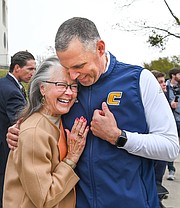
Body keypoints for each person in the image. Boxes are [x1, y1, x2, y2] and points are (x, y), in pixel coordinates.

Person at [7, 17, 179, 208]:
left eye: (79, 66)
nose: (73, 76)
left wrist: (119, 137)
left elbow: (170, 146)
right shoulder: (70, 89)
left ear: (100, 48)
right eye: (67, 68)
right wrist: (21, 130)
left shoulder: (138, 80)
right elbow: (45, 120)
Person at [3, 56, 89, 208]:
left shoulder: (59, 118)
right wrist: (71, 159)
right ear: (42, 88)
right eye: (61, 85)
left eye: (73, 86)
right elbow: (45, 198)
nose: (69, 92)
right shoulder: (34, 132)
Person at [0, 51, 36, 208]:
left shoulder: (4, 84)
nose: (33, 73)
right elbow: (22, 121)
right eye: (30, 69)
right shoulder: (12, 92)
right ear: (17, 68)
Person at [151, 70, 169, 208]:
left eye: (164, 82)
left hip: (164, 150)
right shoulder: (149, 103)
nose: (164, 85)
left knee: (158, 183)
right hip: (153, 151)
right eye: (160, 82)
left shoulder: (164, 98)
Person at [166, 68, 180, 181]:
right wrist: (170, 104)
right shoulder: (165, 87)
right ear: (173, 75)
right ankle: (171, 169)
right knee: (171, 144)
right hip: (171, 119)